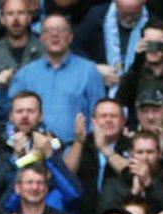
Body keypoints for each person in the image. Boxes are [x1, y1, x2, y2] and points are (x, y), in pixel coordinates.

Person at [7, 15, 106, 145]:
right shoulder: (26, 74)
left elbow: (100, 115)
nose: (54, 34)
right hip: (34, 151)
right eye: (48, 30)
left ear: (70, 37)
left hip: (77, 149)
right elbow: (9, 114)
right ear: (41, 38)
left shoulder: (88, 71)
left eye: (61, 30)